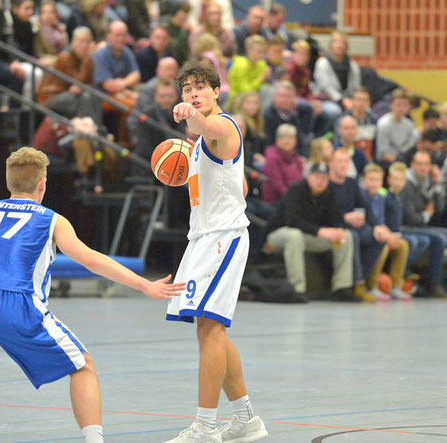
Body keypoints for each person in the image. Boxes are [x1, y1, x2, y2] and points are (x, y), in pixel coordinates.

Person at [0, 147, 185, 443]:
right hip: (18, 304)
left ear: (8, 184)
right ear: (42, 183)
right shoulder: (52, 220)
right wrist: (143, 284)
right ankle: (93, 439)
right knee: (83, 367)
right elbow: (91, 260)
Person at [165, 60, 267, 442]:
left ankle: (205, 428)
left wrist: (192, 117)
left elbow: (207, 127)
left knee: (210, 331)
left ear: (215, 90)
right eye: (186, 88)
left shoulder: (220, 125)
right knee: (213, 333)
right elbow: (238, 187)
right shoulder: (201, 143)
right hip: (204, 238)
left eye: (200, 87)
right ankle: (246, 420)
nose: (193, 93)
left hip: (223, 238)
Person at [265, 162, 355, 298]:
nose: (320, 181)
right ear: (308, 176)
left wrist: (339, 230)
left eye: (324, 178)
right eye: (317, 177)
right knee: (294, 236)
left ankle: (341, 288)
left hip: (307, 235)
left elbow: (336, 217)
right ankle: (297, 289)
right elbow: (293, 221)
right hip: (279, 234)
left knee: (346, 236)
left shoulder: (329, 192)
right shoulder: (297, 189)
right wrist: (320, 231)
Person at [401, 151, 447, 297]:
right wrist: (426, 214)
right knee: (440, 239)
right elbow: (410, 219)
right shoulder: (406, 184)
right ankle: (435, 284)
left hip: (424, 226)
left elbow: (439, 210)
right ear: (412, 165)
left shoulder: (428, 182)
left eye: (426, 164)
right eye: (419, 164)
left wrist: (437, 184)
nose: (423, 168)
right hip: (409, 228)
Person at [329, 148, 381, 302]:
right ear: (331, 164)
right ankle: (358, 284)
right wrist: (345, 217)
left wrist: (377, 226)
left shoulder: (351, 183)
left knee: (378, 237)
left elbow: (365, 207)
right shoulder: (326, 184)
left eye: (346, 162)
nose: (343, 165)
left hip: (354, 224)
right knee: (354, 237)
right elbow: (325, 212)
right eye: (339, 161)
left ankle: (363, 279)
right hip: (336, 225)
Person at [360, 163, 411, 300]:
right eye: (371, 179)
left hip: (381, 231)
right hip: (367, 233)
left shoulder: (380, 198)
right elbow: (367, 222)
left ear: (382, 182)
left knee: (402, 245)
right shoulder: (361, 196)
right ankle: (372, 285)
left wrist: (391, 236)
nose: (374, 183)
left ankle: (395, 285)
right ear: (364, 180)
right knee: (382, 243)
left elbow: (382, 222)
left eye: (377, 180)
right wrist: (386, 236)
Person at [261, 124, 304, 205]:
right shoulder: (272, 158)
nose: (287, 141)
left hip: (294, 199)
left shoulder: (296, 157)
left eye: (291, 138)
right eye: (284, 137)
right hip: (277, 202)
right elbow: (278, 187)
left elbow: (301, 180)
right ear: (277, 140)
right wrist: (297, 200)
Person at [375, 88, 417, 167]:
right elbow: (382, 153)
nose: (401, 108)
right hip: (386, 163)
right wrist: (398, 161)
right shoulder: (383, 123)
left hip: (404, 160)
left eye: (404, 105)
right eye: (398, 105)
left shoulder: (409, 124)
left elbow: (410, 146)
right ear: (391, 105)